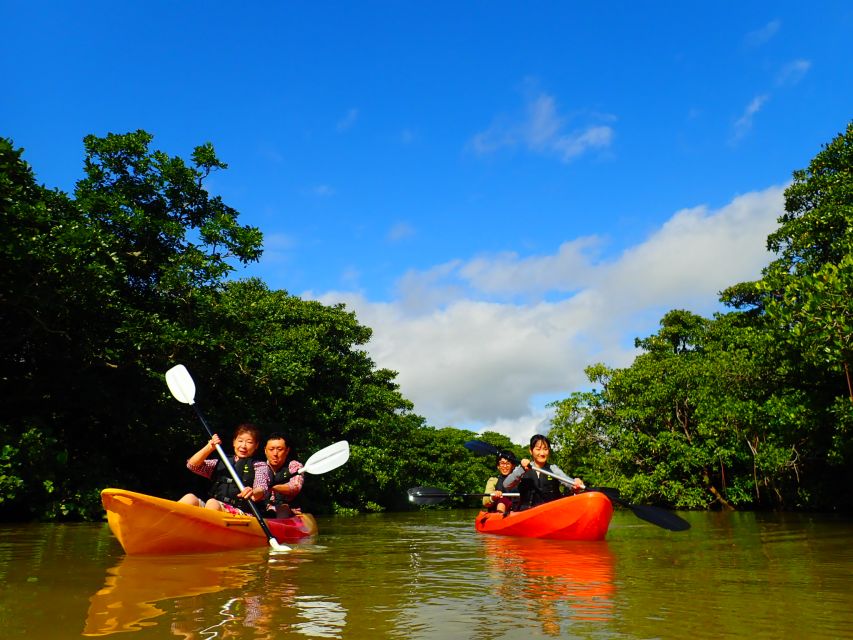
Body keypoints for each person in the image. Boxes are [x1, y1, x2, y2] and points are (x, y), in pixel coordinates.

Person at [178, 423, 271, 515]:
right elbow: (192, 465)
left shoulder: (259, 466)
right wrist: (209, 447)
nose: (243, 446)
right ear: (234, 442)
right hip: (214, 507)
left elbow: (261, 488)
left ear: (256, 446)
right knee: (189, 498)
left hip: (241, 514)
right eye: (240, 441)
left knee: (212, 503)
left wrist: (253, 492)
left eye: (249, 442)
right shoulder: (221, 462)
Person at [503, 434, 584, 510]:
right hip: (526, 513)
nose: (542, 453)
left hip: (550, 512)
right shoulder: (522, 468)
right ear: (531, 451)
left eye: (545, 449)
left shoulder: (553, 469)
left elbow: (567, 480)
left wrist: (575, 484)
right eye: (538, 449)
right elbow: (506, 484)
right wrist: (522, 470)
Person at [263, 432, 304, 518]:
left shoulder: (294, 466)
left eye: (279, 449)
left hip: (288, 510)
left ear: (287, 451)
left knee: (283, 509)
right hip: (264, 508)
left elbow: (295, 487)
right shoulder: (259, 467)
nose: (275, 453)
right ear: (265, 451)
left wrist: (271, 487)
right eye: (271, 449)